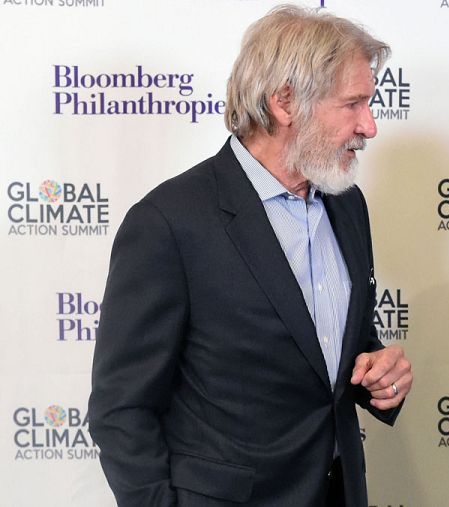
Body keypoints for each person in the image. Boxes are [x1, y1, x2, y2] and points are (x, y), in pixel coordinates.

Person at [88, 6, 412, 506]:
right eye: (353, 104)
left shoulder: (348, 205)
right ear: (285, 102)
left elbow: (330, 351)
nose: (369, 126)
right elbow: (121, 411)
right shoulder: (169, 222)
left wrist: (378, 374)